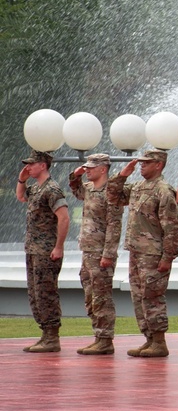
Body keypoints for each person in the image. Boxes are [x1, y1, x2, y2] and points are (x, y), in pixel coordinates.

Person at [107, 149, 178, 358]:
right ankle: (149, 338)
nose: (141, 165)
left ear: (158, 165)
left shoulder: (163, 190)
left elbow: (173, 228)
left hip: (153, 254)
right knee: (139, 297)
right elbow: (112, 195)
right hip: (137, 251)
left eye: (146, 163)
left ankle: (159, 341)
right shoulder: (139, 187)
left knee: (153, 297)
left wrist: (168, 256)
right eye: (141, 163)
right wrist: (122, 175)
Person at [68, 153, 124, 355]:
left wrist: (108, 254)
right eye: (87, 166)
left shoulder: (111, 192)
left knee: (102, 297)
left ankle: (105, 339)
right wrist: (75, 176)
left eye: (91, 167)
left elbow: (114, 225)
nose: (87, 170)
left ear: (103, 169)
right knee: (90, 296)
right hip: (88, 251)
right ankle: (98, 336)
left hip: (101, 252)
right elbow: (76, 190)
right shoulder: (90, 189)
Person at [16, 150, 69, 353]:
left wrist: (58, 246)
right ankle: (45, 334)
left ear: (43, 166)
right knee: (36, 293)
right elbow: (21, 196)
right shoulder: (37, 189)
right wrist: (21, 180)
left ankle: (52, 337)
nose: (28, 167)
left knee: (46, 293)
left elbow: (64, 218)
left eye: (31, 164)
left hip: (46, 250)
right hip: (33, 249)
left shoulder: (52, 189)